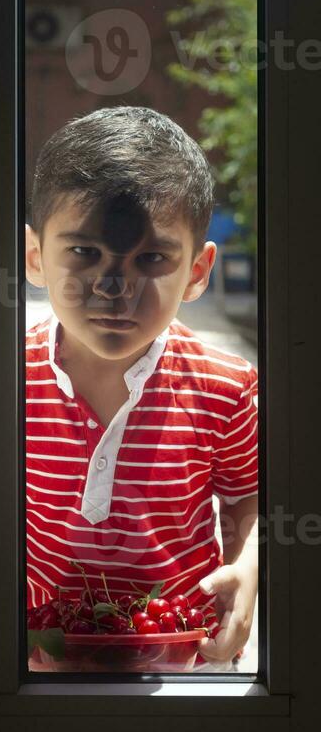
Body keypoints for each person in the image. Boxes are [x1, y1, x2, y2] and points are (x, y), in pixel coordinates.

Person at [25, 105, 258, 669]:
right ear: (36, 256)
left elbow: (250, 498)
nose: (113, 288)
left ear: (198, 272)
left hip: (182, 673)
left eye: (150, 258)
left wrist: (248, 569)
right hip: (28, 673)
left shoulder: (225, 387)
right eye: (84, 252)